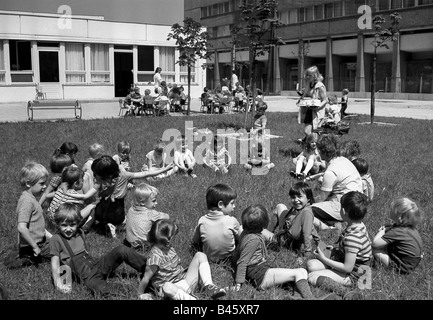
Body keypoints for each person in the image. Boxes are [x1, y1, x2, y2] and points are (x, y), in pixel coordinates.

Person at [233, 205, 336, 300]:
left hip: (261, 270)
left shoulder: (245, 233)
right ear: (264, 224)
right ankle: (311, 299)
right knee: (301, 272)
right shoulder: (253, 240)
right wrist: (238, 284)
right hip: (259, 275)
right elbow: (242, 261)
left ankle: (296, 297)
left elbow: (239, 253)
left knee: (295, 277)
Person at [49, 203, 147, 296]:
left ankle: (148, 268)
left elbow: (85, 252)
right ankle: (133, 289)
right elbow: (55, 264)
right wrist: (58, 283)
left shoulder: (79, 232)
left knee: (121, 250)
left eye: (72, 225)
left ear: (78, 223)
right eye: (64, 225)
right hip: (88, 277)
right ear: (58, 224)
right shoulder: (56, 239)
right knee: (100, 288)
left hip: (96, 265)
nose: (68, 229)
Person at [65, 156, 174, 238]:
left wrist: (69, 194)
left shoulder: (99, 180)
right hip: (117, 213)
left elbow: (86, 196)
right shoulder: (124, 175)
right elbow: (146, 174)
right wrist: (165, 169)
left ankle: (87, 227)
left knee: (94, 207)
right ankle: (113, 226)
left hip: (100, 211)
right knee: (125, 218)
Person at [138, 219, 227, 300]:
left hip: (185, 280)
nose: (175, 237)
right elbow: (146, 279)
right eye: (173, 236)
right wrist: (140, 294)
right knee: (167, 286)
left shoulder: (169, 247)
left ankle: (209, 287)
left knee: (200, 255)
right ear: (167, 240)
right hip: (172, 291)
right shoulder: (154, 259)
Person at [307, 191, 372, 299]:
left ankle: (347, 293)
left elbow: (347, 268)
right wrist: (336, 249)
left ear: (343, 211)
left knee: (312, 277)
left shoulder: (353, 238)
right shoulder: (358, 225)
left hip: (357, 276)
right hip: (352, 264)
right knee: (311, 265)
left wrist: (324, 259)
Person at [311, 134, 363, 232]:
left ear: (323, 152)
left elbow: (321, 198)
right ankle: (336, 223)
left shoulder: (330, 172)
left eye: (319, 150)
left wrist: (309, 201)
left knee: (308, 210)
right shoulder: (343, 160)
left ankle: (330, 228)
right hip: (358, 203)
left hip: (345, 207)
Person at [5, 162, 52, 269]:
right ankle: (28, 257)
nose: (45, 186)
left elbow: (39, 227)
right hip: (34, 245)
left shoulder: (31, 199)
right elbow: (21, 228)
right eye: (41, 183)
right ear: (28, 184)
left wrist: (53, 238)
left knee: (61, 244)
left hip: (40, 242)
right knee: (62, 251)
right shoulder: (27, 202)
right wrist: (35, 247)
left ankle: (31, 257)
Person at [372, 197, 423, 275]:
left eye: (392, 210)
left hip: (402, 268)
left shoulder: (397, 232)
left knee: (375, 250)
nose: (390, 210)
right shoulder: (410, 228)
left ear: (399, 217)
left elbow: (375, 244)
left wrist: (382, 231)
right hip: (412, 262)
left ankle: (389, 268)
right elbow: (393, 227)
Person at [268, 182, 320, 257]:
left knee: (260, 231)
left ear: (308, 198)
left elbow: (307, 233)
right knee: (280, 206)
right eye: (293, 197)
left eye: (299, 196)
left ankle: (267, 238)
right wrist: (318, 241)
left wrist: (307, 252)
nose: (296, 200)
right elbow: (312, 228)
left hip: (285, 241)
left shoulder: (306, 213)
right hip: (287, 229)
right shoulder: (303, 208)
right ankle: (270, 233)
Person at [192, 184, 240, 263]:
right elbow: (241, 238)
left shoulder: (202, 221)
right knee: (241, 229)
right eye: (232, 203)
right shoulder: (231, 221)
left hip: (209, 259)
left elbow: (195, 241)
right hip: (230, 258)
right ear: (220, 204)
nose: (234, 206)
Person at [124, 183, 170, 251]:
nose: (156, 203)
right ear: (142, 202)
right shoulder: (150, 213)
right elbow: (167, 217)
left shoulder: (131, 209)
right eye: (154, 201)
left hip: (129, 242)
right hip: (143, 246)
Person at [298, 66, 328, 142]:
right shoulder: (308, 84)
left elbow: (325, 100)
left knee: (314, 132)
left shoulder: (320, 86)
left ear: (315, 76)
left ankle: (313, 146)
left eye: (309, 75)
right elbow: (307, 96)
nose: (307, 77)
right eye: (307, 74)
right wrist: (302, 99)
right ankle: (311, 143)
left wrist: (318, 107)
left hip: (317, 112)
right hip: (308, 111)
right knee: (307, 132)